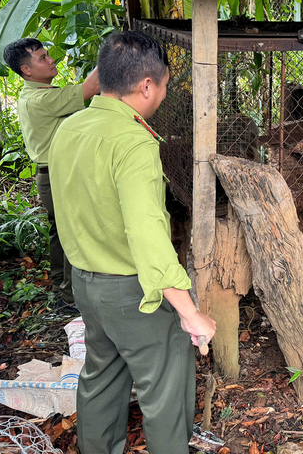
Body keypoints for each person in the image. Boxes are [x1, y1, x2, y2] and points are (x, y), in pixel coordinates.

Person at [48, 31, 216, 454]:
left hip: (85, 283)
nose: (161, 94)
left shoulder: (70, 128)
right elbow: (147, 237)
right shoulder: (134, 142)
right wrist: (189, 312)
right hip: (130, 289)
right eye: (162, 86)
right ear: (146, 86)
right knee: (165, 384)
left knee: (101, 375)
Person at [4, 39, 99, 308]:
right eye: (42, 58)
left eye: (48, 55)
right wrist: (114, 50)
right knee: (73, 235)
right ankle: (69, 298)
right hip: (57, 176)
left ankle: (60, 284)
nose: (50, 60)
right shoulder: (42, 99)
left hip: (51, 175)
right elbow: (91, 87)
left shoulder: (36, 94)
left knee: (61, 233)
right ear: (27, 70)